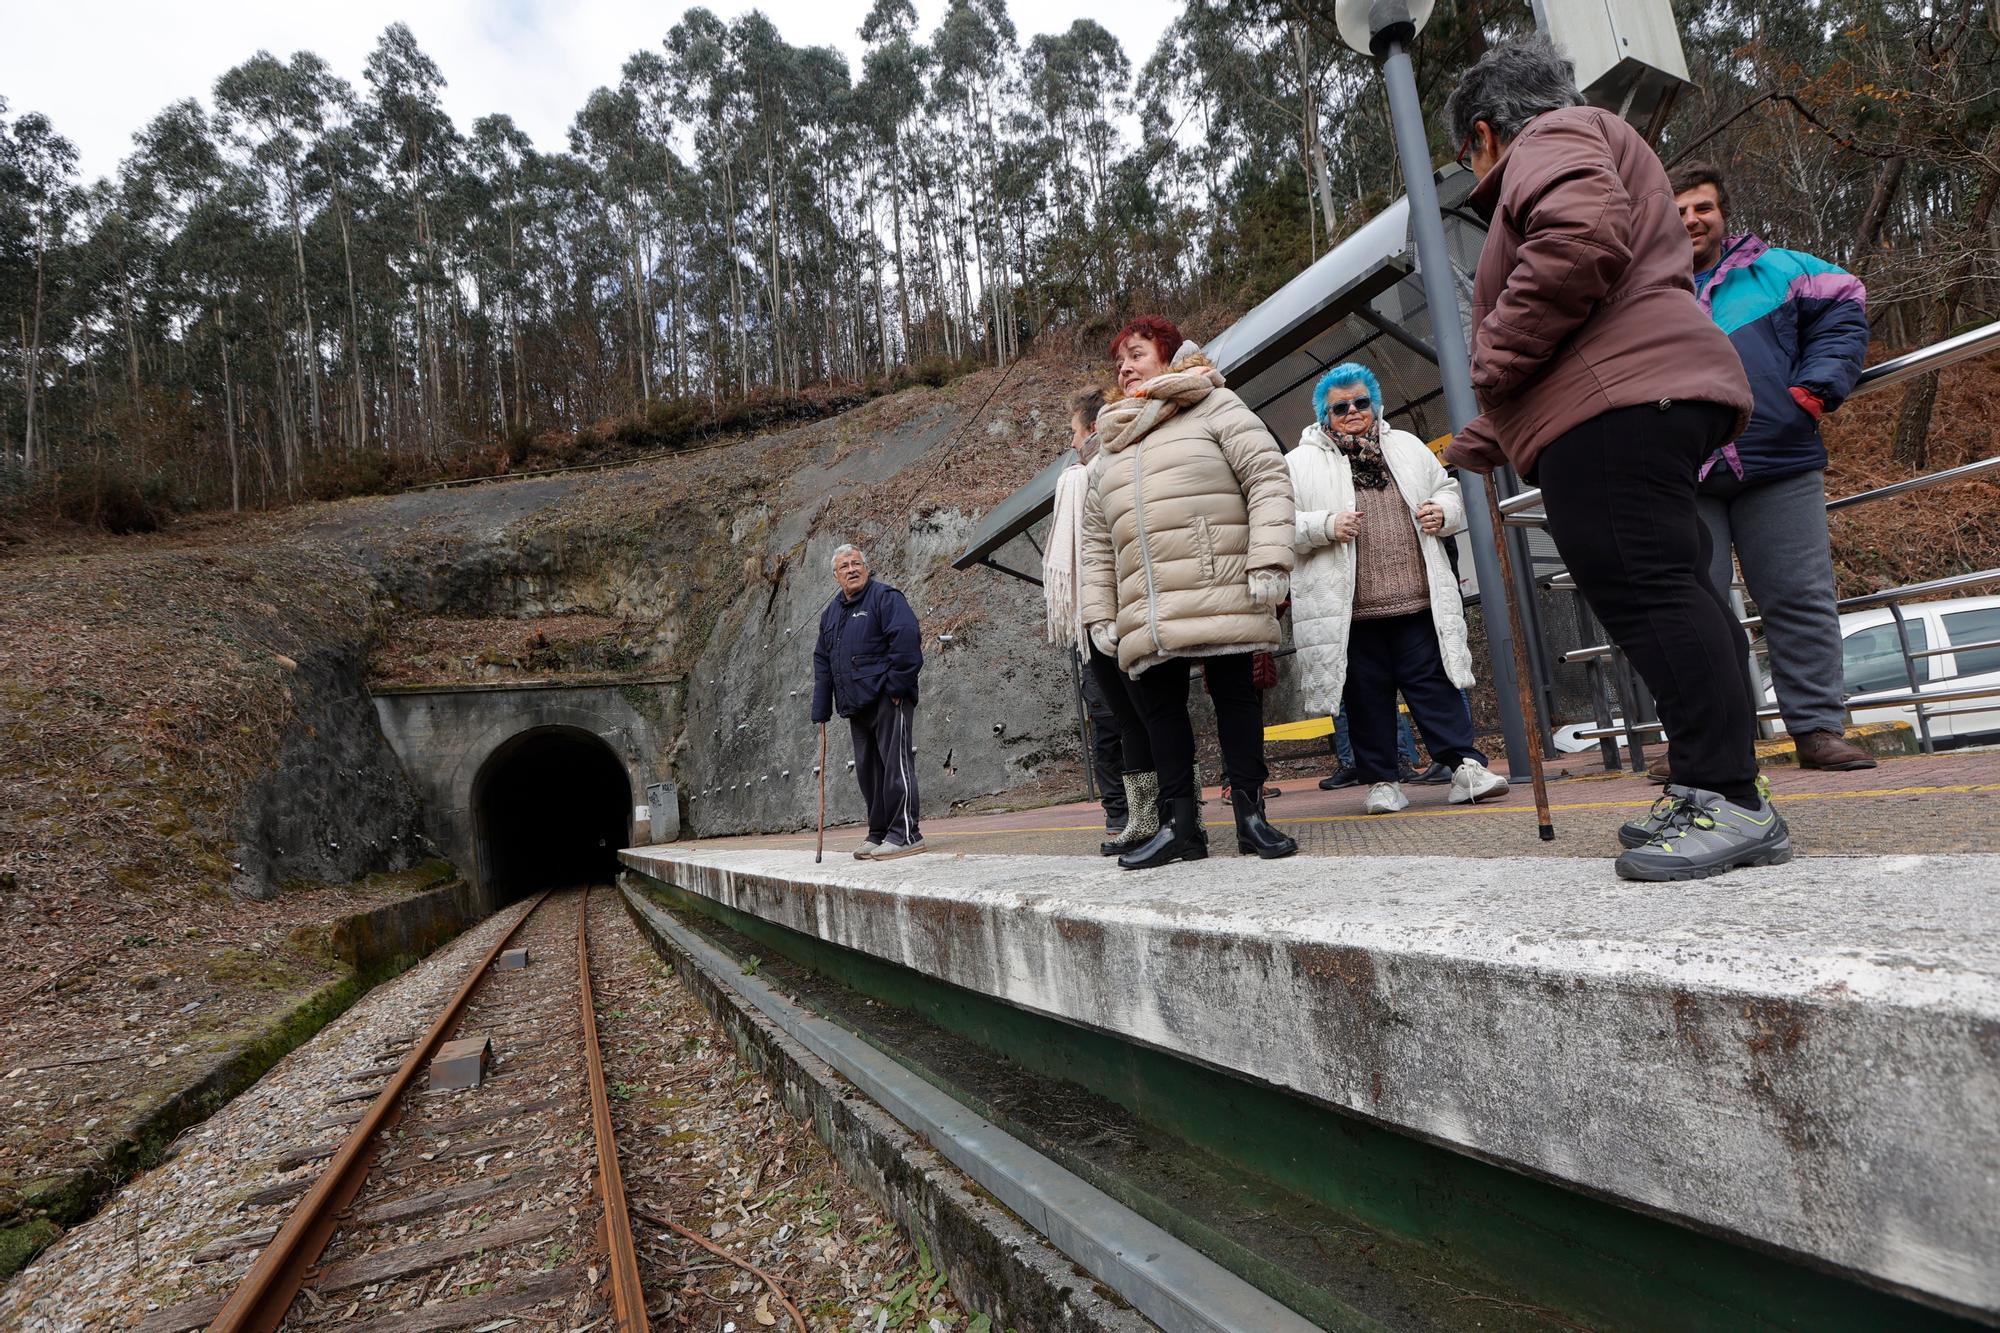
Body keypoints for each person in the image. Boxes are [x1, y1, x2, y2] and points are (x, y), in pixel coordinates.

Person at [1441, 36, 1789, 881]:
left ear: (1486, 131)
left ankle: (1727, 793)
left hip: (1624, 400)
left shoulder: (1549, 139)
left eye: (1465, 154)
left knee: (1650, 585)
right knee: (1659, 583)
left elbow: (1580, 240)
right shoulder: (1582, 139)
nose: (1472, 169)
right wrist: (1496, 428)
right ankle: (1710, 782)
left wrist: (1490, 365)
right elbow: (1587, 311)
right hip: (1626, 393)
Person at [1672, 161, 1875, 773]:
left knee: (1799, 596)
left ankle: (1816, 729)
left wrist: (1813, 389)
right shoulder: (1648, 290)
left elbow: (1847, 302)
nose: (1690, 220)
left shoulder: (1781, 268)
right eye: (1677, 210)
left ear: (1722, 210)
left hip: (1779, 456)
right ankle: (1711, 740)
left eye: (1701, 207)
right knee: (1693, 606)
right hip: (1688, 470)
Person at [1079, 316, 1298, 868]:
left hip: (1217, 578)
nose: (1125, 368)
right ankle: (1182, 826)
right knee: (1161, 711)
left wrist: (1269, 555)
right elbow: (1096, 539)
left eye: (1136, 354)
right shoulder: (1112, 440)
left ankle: (1251, 816)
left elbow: (1267, 476)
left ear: (1171, 354)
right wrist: (1100, 612)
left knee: (1235, 697)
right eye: (1120, 361)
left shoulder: (1214, 404)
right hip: (1147, 603)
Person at [1290, 363, 1510, 815]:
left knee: (1434, 686)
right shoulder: (1299, 463)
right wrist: (1325, 525)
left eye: (1361, 403)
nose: (1353, 412)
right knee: (1365, 697)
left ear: (1374, 403)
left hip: (1416, 598)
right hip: (1349, 611)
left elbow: (1448, 489)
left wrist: (1443, 513)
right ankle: (1381, 782)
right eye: (1340, 407)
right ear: (1323, 415)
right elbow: (1278, 524)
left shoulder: (1406, 446)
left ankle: (1464, 766)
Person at [1046, 385, 1160, 856]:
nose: (1071, 444)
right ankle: (1141, 816)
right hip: (1105, 617)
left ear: (1092, 428)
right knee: (1130, 720)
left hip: (1119, 614)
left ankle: (1156, 816)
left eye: (1074, 432)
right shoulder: (1094, 473)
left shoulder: (1094, 476)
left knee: (1140, 718)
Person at [810, 543, 925, 859]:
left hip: (888, 699)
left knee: (895, 767)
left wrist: (896, 687)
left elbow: (906, 639)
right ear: (836, 576)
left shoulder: (885, 598)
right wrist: (821, 708)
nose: (851, 569)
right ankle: (879, 832)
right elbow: (823, 660)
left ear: (866, 567)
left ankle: (906, 833)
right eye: (844, 566)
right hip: (855, 705)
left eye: (856, 563)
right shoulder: (831, 614)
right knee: (869, 773)